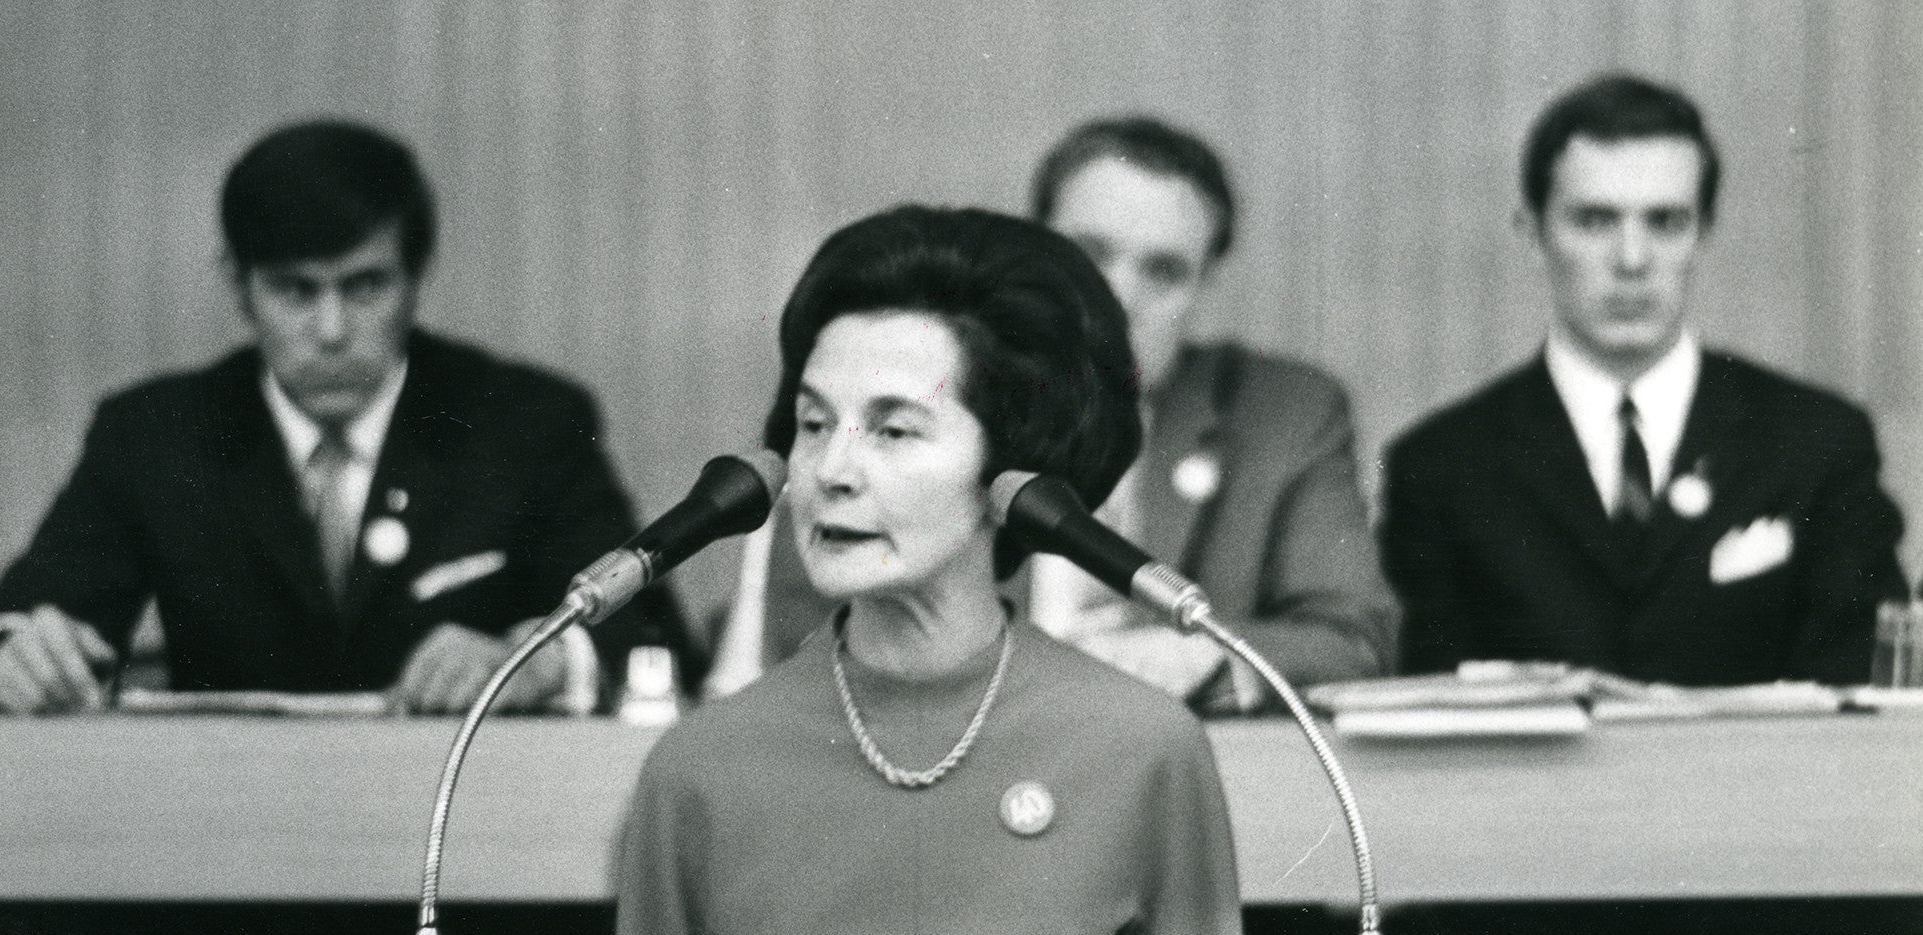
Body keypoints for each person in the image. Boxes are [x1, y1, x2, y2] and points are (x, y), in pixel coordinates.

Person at [615, 206, 1248, 935]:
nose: (831, 471)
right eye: (814, 424)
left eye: (894, 431)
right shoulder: (697, 770)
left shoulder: (1146, 752)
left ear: (1012, 475)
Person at [0, 120, 689, 714]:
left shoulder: (524, 423)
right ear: (238, 285)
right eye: (295, 291)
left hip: (472, 857)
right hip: (225, 868)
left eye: (363, 288)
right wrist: (14, 657)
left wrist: (540, 661)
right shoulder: (157, 437)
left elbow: (658, 641)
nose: (330, 331)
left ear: (414, 277)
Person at [708, 117, 1396, 710]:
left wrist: (1207, 659)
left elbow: (1351, 637)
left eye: (1162, 271)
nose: (1118, 296)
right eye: (1090, 253)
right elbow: (804, 638)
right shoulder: (905, 398)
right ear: (1031, 245)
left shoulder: (1286, 412)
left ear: (1203, 285)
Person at [1381, 74, 1906, 684]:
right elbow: (1434, 725)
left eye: (1664, 222)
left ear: (1702, 234)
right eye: (1595, 221)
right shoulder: (1443, 466)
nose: (1632, 260)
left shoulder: (1817, 442)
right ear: (1533, 233)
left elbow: (1857, 703)